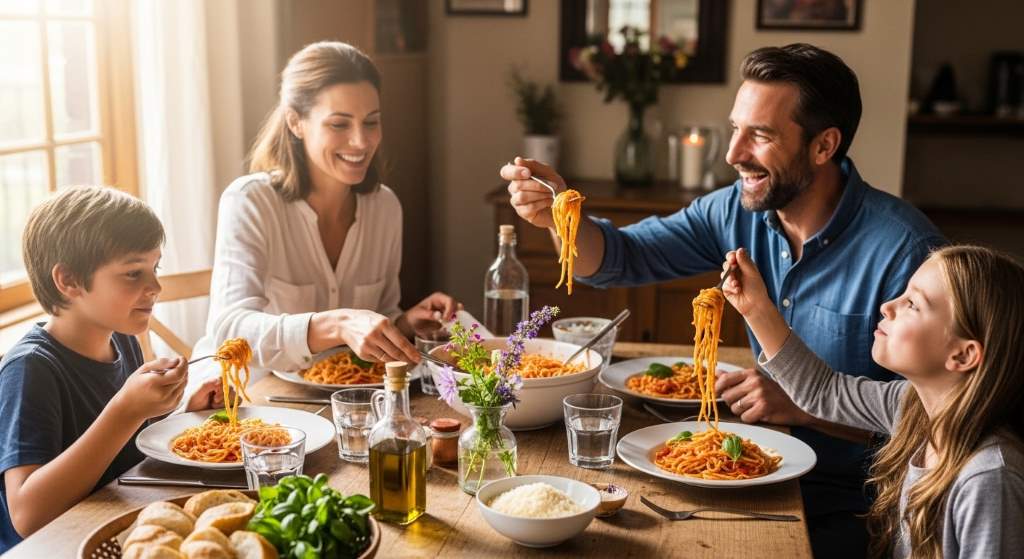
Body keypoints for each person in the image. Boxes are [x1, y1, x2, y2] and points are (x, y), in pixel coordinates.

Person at [501, 43, 946, 556]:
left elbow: (939, 418)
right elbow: (618, 258)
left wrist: (807, 409)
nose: (733, 154)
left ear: (824, 146)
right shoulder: (736, 210)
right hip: (748, 472)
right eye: (736, 128)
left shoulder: (909, 253)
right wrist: (561, 212)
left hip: (856, 509)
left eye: (760, 135)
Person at [187, 41, 458, 395]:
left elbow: (379, 314)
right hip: (251, 399)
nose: (360, 141)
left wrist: (403, 323)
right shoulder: (250, 202)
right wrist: (339, 323)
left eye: (371, 122)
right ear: (295, 122)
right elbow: (229, 329)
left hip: (350, 402)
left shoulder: (385, 207)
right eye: (339, 124)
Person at [721, 245, 1024, 558]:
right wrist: (755, 307)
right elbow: (822, 390)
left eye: (913, 304)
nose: (887, 307)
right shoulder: (913, 406)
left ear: (962, 354)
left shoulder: (989, 479)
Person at [0, 186, 222, 553]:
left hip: (114, 528)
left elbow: (127, 452)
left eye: (155, 268)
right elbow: (28, 514)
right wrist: (126, 411)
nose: (155, 286)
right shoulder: (30, 370)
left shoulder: (123, 340)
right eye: (134, 273)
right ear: (68, 281)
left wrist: (183, 414)